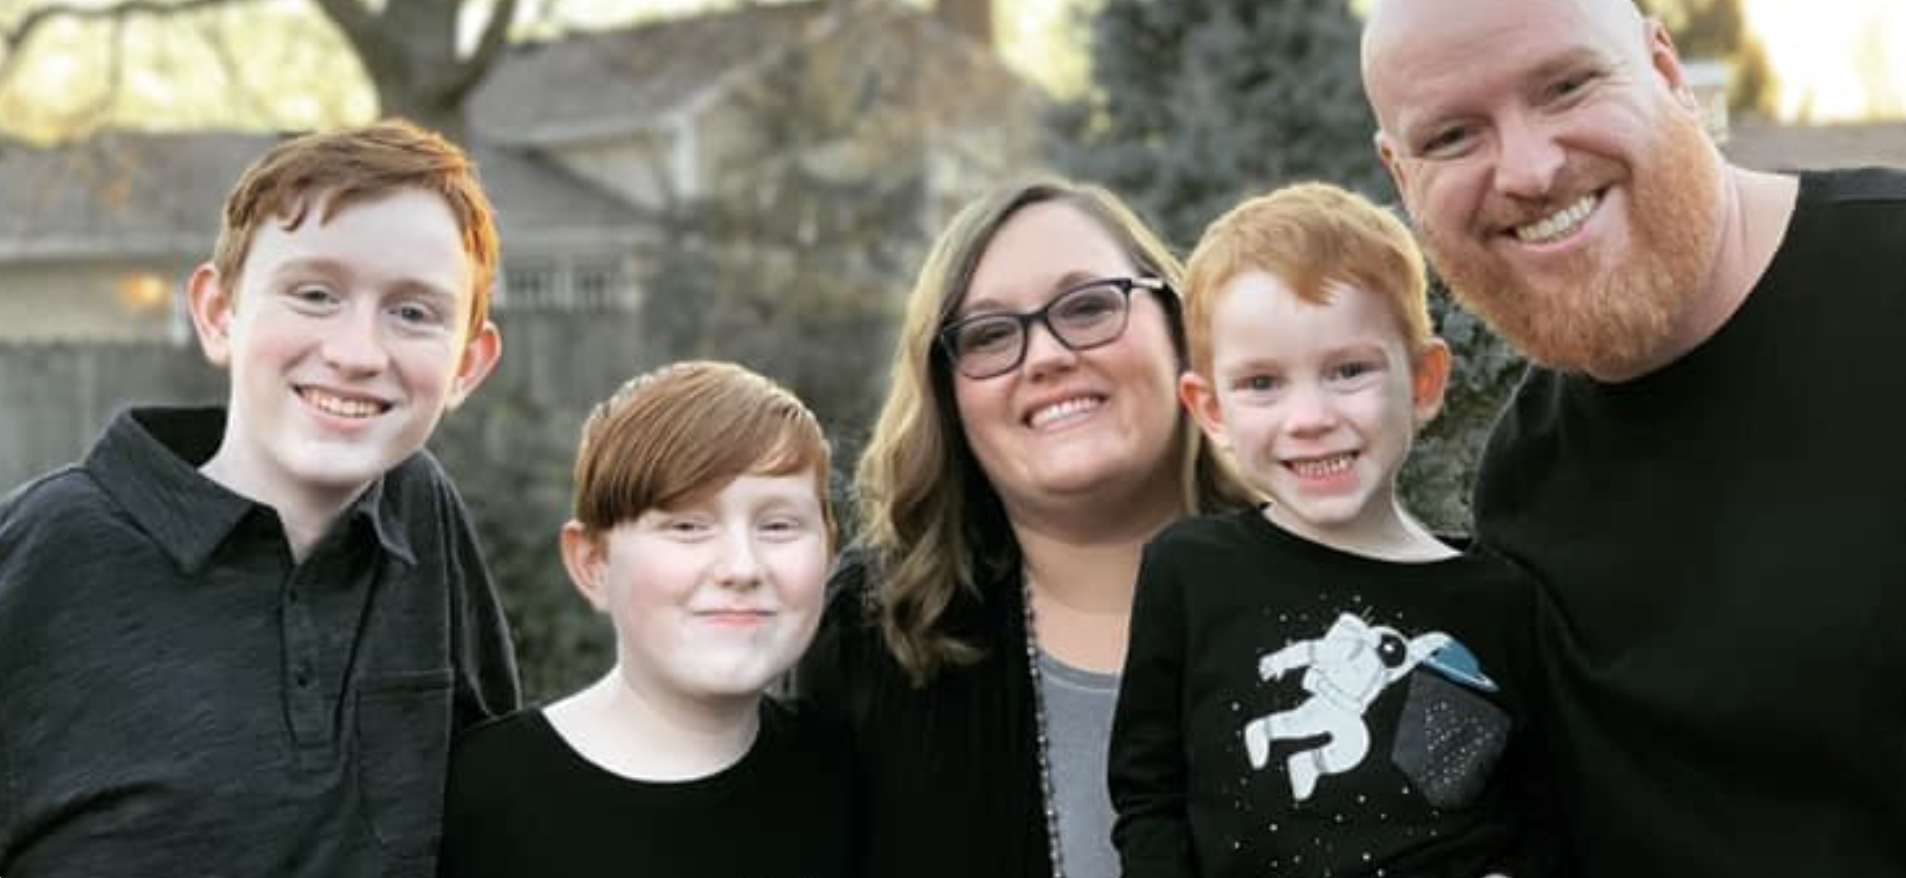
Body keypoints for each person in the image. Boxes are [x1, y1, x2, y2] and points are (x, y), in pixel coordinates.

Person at [1361, 0, 1906, 874]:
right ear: (1401, 178)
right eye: (1453, 137)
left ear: (1665, 70)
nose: (1529, 171)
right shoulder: (1522, 480)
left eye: (1567, 85)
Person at [0, 119, 517, 877]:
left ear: (468, 365)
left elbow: (494, 804)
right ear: (218, 314)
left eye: (413, 312)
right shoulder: (48, 549)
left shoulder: (420, 517)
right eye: (314, 294)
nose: (356, 354)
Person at [795, 176, 1254, 878]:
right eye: (988, 335)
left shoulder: (1346, 583)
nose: (1045, 357)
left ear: (1181, 331)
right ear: (949, 398)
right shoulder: (865, 643)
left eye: (1090, 305)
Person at [1110, 182, 1557, 878]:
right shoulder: (1190, 570)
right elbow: (1147, 795)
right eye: (1262, 383)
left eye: (1348, 370)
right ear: (1211, 409)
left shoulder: (1502, 601)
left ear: (1423, 380)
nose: (1310, 416)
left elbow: (1544, 811)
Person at [436, 360, 852, 878]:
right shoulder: (469, 801)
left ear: (831, 555)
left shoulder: (857, 782)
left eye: (779, 525)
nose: (742, 568)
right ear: (593, 564)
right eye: (687, 525)